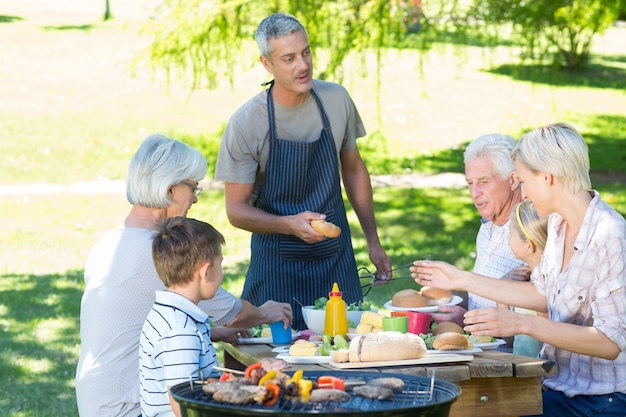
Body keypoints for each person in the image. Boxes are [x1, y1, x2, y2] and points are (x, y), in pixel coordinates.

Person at [412, 122, 626, 416]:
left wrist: (522, 324)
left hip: (602, 400)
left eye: (523, 181)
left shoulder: (610, 234)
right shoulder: (558, 224)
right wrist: (461, 278)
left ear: (548, 178)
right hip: (556, 387)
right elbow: (542, 292)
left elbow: (611, 341)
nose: (522, 194)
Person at [76, 134, 292, 417]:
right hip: (130, 405)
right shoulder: (155, 249)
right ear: (169, 190)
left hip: (98, 399)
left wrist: (209, 333)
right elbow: (233, 314)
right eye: (193, 188)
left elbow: (138, 326)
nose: (195, 199)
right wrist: (266, 313)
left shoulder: (110, 241)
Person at [214, 12, 391, 330]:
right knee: (272, 365)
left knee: (347, 358)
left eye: (306, 52)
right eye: (289, 58)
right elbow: (236, 211)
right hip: (276, 265)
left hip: (336, 259)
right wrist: (289, 225)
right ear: (267, 64)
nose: (303, 65)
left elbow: (353, 170)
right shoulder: (246, 124)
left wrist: (373, 242)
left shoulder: (336, 100)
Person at [432, 134, 526, 330]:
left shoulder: (531, 232)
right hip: (479, 348)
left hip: (512, 355)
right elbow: (481, 297)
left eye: (484, 182)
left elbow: (534, 321)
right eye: (469, 183)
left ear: (513, 180)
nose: (474, 193)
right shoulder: (487, 226)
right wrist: (441, 303)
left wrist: (467, 319)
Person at [139, 216, 225, 417]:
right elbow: (182, 404)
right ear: (205, 272)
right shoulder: (180, 331)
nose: (221, 272)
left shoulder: (168, 313)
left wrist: (219, 333)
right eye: (220, 264)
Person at [501, 199, 549, 357]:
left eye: (510, 234)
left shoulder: (543, 287)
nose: (508, 238)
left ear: (528, 245)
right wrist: (503, 293)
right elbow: (506, 335)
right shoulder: (526, 279)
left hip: (539, 375)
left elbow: (546, 345)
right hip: (522, 368)